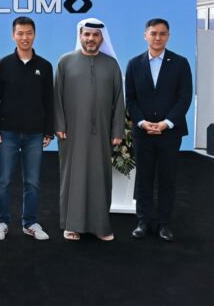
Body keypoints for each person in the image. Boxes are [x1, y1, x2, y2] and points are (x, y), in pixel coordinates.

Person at [54, 18, 125, 241]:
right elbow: (56, 97)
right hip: (71, 132)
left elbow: (118, 101)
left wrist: (117, 131)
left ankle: (100, 226)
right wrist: (59, 125)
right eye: (87, 34)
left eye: (95, 35)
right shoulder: (65, 62)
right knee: (72, 176)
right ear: (80, 36)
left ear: (102, 38)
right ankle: (71, 225)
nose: (91, 39)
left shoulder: (111, 65)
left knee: (100, 177)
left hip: (103, 133)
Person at [125, 18, 192, 242]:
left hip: (170, 133)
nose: (157, 37)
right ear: (145, 35)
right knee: (143, 178)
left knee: (167, 178)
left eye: (162, 34)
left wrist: (167, 123)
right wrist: (142, 122)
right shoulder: (134, 64)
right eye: (153, 33)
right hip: (143, 132)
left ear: (168, 36)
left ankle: (164, 224)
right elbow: (131, 99)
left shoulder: (181, 63)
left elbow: (184, 98)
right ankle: (143, 221)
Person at [0, 16, 53, 241]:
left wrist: (48, 130)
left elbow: (49, 100)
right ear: (13, 35)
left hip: (35, 134)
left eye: (28, 33)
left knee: (32, 181)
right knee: (4, 180)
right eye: (20, 33)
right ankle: (1, 222)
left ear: (34, 35)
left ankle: (30, 222)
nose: (24, 37)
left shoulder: (45, 66)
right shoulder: (3, 65)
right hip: (8, 133)